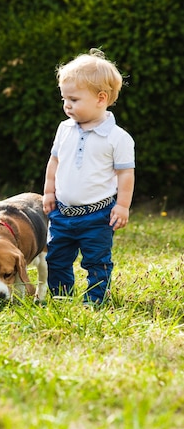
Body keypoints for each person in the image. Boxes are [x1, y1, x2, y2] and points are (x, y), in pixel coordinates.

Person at [43, 48, 135, 305]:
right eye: (64, 99)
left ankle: (95, 299)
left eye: (73, 99)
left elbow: (125, 174)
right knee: (57, 258)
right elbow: (54, 162)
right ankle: (61, 296)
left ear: (101, 98)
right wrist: (49, 192)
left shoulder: (118, 138)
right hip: (62, 213)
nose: (66, 105)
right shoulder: (64, 129)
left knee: (96, 260)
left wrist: (123, 205)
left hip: (98, 215)